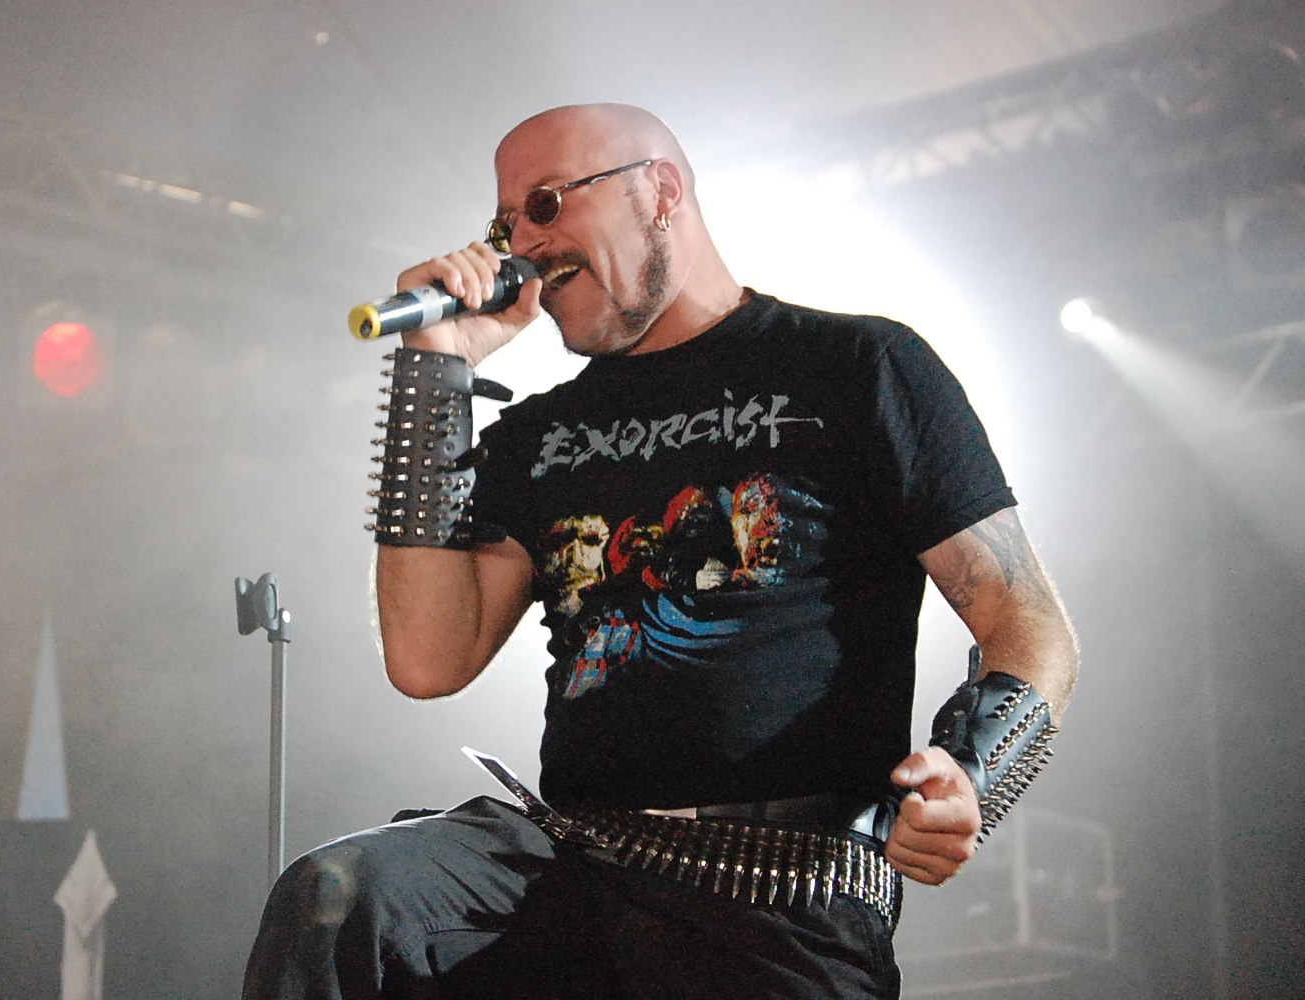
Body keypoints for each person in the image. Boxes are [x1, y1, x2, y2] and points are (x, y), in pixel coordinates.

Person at [243, 103, 1079, 1000]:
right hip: (573, 865)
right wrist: (433, 372)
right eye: (505, 223)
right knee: (344, 897)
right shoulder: (538, 435)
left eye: (546, 203)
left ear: (662, 190)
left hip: (781, 888)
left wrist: (971, 773)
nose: (523, 244)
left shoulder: (858, 366)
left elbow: (1030, 626)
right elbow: (426, 659)